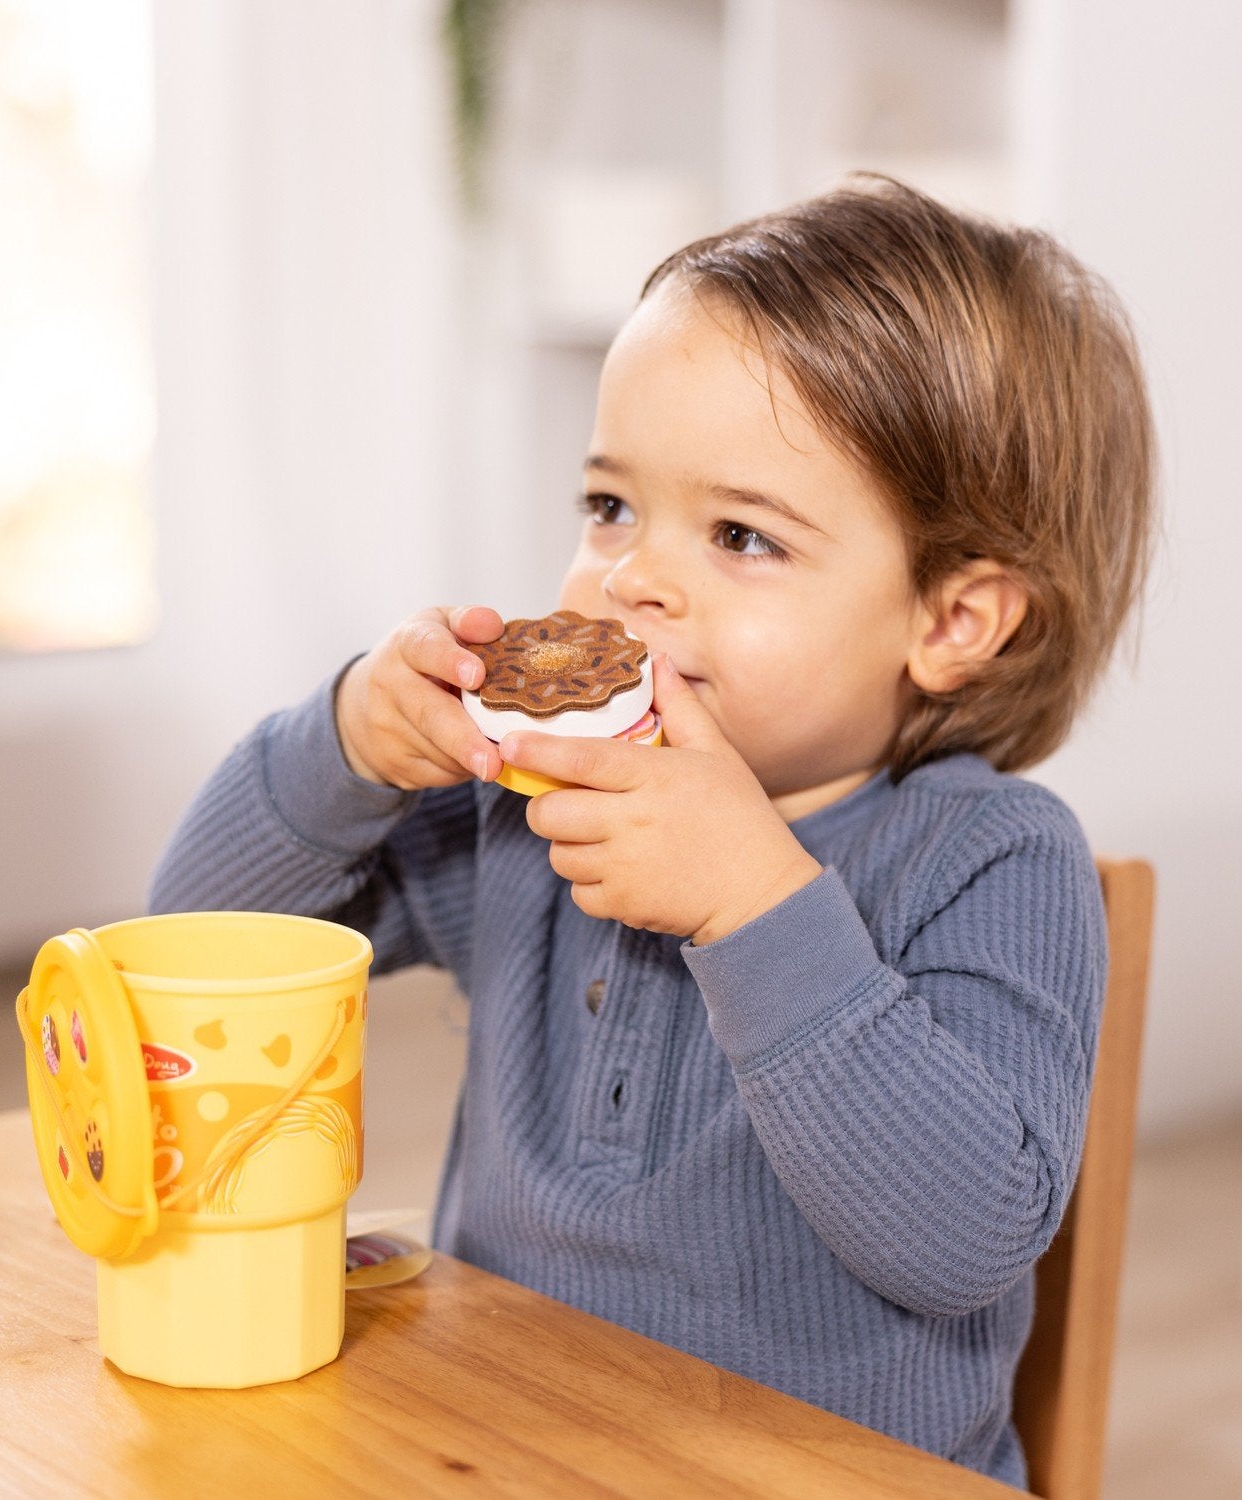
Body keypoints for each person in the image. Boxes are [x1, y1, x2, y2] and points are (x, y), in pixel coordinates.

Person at [149, 177, 1155, 1484]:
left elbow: (963, 1237)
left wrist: (755, 909)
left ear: (951, 622)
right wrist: (346, 743)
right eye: (611, 507)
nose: (630, 579)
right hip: (501, 1450)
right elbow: (195, 946)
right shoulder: (529, 813)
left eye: (741, 535)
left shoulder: (995, 859)